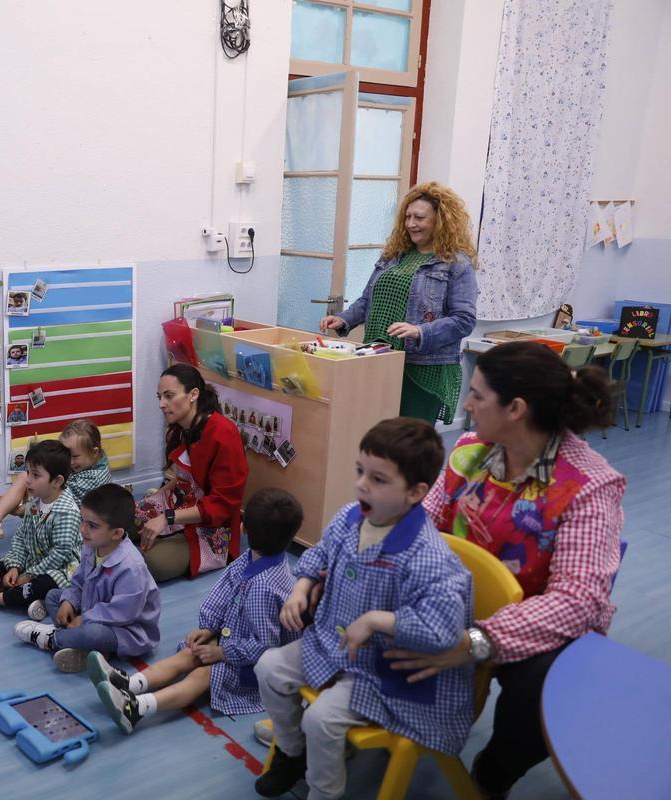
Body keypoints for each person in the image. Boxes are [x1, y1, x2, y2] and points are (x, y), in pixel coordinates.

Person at [384, 341, 625, 798]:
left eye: (476, 395)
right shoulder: (473, 450)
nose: (466, 405)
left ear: (515, 408)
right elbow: (424, 524)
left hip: (535, 625)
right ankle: (358, 711)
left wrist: (475, 641)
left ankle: (495, 771)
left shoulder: (589, 486)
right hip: (455, 599)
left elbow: (575, 602)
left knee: (542, 689)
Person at [254, 418, 473, 799]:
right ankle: (292, 754)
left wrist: (377, 620)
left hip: (380, 670)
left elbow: (442, 630)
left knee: (321, 720)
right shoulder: (351, 516)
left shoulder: (429, 555)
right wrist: (301, 587)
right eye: (360, 471)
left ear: (416, 493)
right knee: (268, 667)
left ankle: (324, 793)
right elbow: (319, 552)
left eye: (378, 479)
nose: (361, 484)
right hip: (331, 644)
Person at [92, 488, 302, 734]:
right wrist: (208, 628)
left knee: (203, 674)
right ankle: (130, 683)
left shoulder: (264, 588)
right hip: (235, 640)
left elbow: (265, 647)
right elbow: (221, 598)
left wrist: (222, 652)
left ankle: (136, 708)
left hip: (258, 668)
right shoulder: (249, 560)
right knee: (188, 655)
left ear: (244, 528)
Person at [320, 182, 478, 425]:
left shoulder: (456, 263)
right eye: (407, 217)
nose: (411, 224)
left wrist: (419, 331)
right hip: (381, 360)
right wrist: (345, 318)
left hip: (423, 368)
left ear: (441, 220)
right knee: (378, 434)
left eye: (419, 217)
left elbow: (464, 320)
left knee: (409, 441)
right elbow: (368, 300)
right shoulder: (394, 256)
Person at [13, 484, 159, 673]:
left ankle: (52, 638)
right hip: (93, 608)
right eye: (83, 521)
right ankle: (86, 649)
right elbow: (79, 581)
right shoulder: (92, 545)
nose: (82, 529)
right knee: (53, 596)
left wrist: (85, 618)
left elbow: (123, 613)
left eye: (92, 525)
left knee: (94, 633)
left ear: (117, 533)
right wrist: (69, 601)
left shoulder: (132, 567)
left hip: (126, 631)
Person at [134, 364, 248, 581]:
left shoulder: (224, 433)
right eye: (159, 397)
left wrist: (166, 518)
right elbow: (182, 480)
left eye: (169, 396)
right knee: (120, 519)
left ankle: (171, 538)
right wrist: (154, 502)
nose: (161, 404)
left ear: (193, 394)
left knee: (152, 563)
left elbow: (222, 505)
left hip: (213, 524)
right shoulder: (180, 426)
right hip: (182, 501)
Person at [0, 440, 82, 613]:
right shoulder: (35, 503)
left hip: (60, 570)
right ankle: (32, 599)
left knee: (44, 584)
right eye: (27, 472)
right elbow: (22, 537)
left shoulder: (66, 512)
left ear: (57, 481)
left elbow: (60, 555)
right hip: (34, 563)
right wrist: (15, 567)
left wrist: (29, 575)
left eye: (36, 475)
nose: (28, 480)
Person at [0, 419, 111, 541]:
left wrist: (21, 508)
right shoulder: (85, 465)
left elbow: (54, 500)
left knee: (32, 481)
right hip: (55, 513)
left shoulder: (94, 478)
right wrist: (17, 502)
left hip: (75, 525)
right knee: (26, 477)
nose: (68, 461)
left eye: (75, 456)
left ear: (94, 452)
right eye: (66, 455)